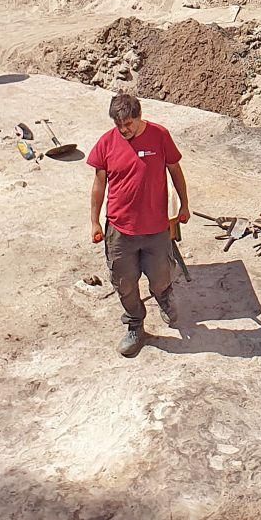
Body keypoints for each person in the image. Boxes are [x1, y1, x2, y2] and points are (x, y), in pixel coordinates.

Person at [88, 92, 191, 358]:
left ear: (139, 116)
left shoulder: (160, 136)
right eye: (118, 125)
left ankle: (163, 297)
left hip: (156, 228)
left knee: (160, 277)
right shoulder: (107, 143)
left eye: (128, 124)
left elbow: (175, 171)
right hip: (120, 230)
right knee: (124, 283)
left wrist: (184, 204)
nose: (123, 130)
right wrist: (94, 222)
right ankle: (135, 326)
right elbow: (99, 184)